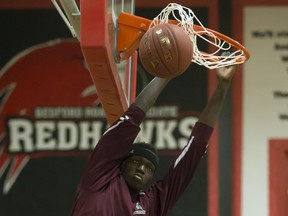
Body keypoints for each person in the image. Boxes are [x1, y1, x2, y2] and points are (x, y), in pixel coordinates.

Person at [71, 64, 237, 216]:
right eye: (136, 161)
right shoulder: (99, 177)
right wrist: (169, 71)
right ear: (123, 163)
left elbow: (194, 150)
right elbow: (133, 117)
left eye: (149, 167)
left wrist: (222, 87)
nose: (142, 168)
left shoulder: (151, 203)